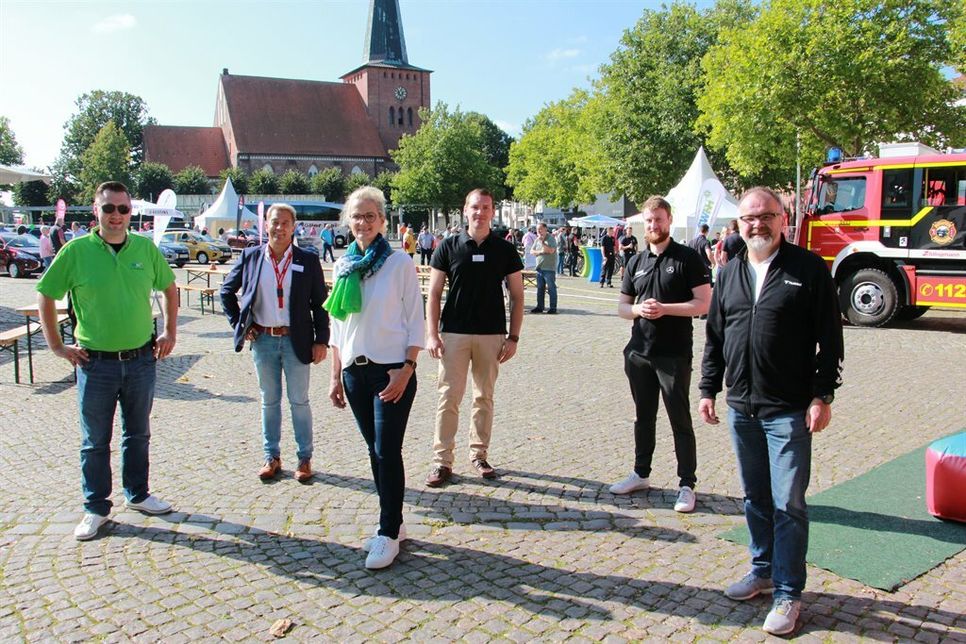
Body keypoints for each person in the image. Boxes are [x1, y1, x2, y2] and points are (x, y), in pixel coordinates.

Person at [699, 187, 843, 636]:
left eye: (766, 216)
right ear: (738, 224)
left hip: (789, 410)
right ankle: (761, 571)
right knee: (754, 498)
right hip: (741, 407)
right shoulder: (730, 272)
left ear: (783, 219)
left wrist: (822, 395)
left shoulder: (809, 269)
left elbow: (830, 339)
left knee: (788, 504)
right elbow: (715, 336)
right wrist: (708, 388)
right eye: (749, 218)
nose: (757, 224)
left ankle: (788, 593)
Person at [36, 180, 179, 541]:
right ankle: (96, 508)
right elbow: (46, 294)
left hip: (140, 359)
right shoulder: (76, 251)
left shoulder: (144, 249)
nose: (117, 216)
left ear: (131, 212)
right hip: (95, 363)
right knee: (95, 441)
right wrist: (56, 346)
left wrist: (170, 331)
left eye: (123, 209)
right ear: (96, 210)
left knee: (138, 433)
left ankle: (138, 494)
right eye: (109, 208)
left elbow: (169, 288)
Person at [325, 186, 424, 570]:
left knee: (386, 450)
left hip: (391, 371)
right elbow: (338, 328)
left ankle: (387, 532)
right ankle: (394, 522)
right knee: (374, 451)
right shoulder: (344, 265)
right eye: (357, 216)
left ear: (382, 221)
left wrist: (407, 368)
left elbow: (415, 320)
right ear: (348, 222)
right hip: (354, 372)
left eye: (370, 216)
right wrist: (335, 377)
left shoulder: (398, 263)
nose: (363, 222)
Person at [611, 196, 711, 513]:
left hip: (673, 354)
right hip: (639, 353)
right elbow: (623, 307)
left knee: (679, 418)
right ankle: (641, 474)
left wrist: (665, 309)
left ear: (669, 220)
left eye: (659, 219)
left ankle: (687, 484)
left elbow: (703, 303)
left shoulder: (687, 258)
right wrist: (638, 309)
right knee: (644, 417)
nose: (654, 225)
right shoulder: (636, 262)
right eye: (649, 220)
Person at [221, 203, 330, 483]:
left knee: (299, 401)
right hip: (263, 340)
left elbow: (320, 303)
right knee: (269, 401)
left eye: (285, 223)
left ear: (293, 227)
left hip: (297, 340)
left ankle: (304, 458)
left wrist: (321, 340)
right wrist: (240, 325)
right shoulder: (251, 256)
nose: (279, 228)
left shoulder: (307, 260)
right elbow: (226, 292)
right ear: (266, 225)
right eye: (274, 222)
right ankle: (272, 457)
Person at [425, 189, 524, 486]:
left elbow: (518, 296)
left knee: (484, 397)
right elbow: (433, 293)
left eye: (486, 207)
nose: (480, 212)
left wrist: (514, 337)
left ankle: (479, 454)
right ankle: (442, 461)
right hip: (453, 333)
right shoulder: (448, 246)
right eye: (475, 207)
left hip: (491, 334)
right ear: (465, 210)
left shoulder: (505, 249)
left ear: (492, 211)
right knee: (448, 397)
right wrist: (432, 334)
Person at [529, 222, 558, 314]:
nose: (539, 231)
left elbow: (551, 250)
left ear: (545, 229)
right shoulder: (537, 239)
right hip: (539, 268)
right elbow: (531, 251)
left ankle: (553, 308)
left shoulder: (551, 239)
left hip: (549, 268)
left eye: (540, 229)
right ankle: (540, 307)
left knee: (551, 288)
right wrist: (541, 252)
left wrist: (543, 243)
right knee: (540, 288)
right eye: (537, 229)